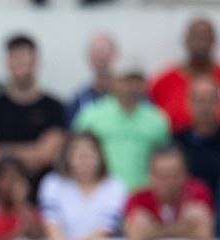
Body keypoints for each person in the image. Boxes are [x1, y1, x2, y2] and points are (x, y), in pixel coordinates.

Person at [0, 35, 67, 188]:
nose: (21, 65)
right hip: (0, 200)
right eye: (16, 59)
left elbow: (48, 155)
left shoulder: (54, 107)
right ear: (7, 63)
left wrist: (4, 151)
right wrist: (33, 152)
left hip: (42, 196)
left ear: (36, 62)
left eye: (25, 59)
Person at [72, 58, 170, 189]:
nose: (132, 86)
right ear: (114, 81)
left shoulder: (158, 120)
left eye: (137, 80)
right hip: (101, 193)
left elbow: (165, 161)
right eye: (127, 80)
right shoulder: (90, 117)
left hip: (142, 194)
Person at [38, 131, 125, 240]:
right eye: (79, 155)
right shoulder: (53, 183)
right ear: (67, 157)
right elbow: (51, 224)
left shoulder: (114, 186)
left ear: (101, 157)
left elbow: (106, 228)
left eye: (89, 155)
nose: (84, 160)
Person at [123, 145, 214, 240]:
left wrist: (154, 230)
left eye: (173, 175)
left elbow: (204, 233)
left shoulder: (198, 192)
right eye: (161, 175)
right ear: (150, 175)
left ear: (185, 173)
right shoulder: (137, 198)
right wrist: (184, 228)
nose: (168, 182)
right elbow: (136, 236)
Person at [149, 18, 220, 134]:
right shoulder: (163, 82)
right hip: (176, 147)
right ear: (186, 40)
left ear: (214, 41)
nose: (201, 43)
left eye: (206, 37)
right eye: (196, 37)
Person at [174, 75, 220, 201]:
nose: (205, 107)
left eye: (210, 100)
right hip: (189, 210)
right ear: (189, 102)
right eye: (200, 100)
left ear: (219, 103)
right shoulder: (178, 141)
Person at [66, 32, 118, 123]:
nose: (102, 58)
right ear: (89, 57)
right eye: (98, 52)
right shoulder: (79, 99)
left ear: (115, 55)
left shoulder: (131, 93)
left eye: (105, 52)